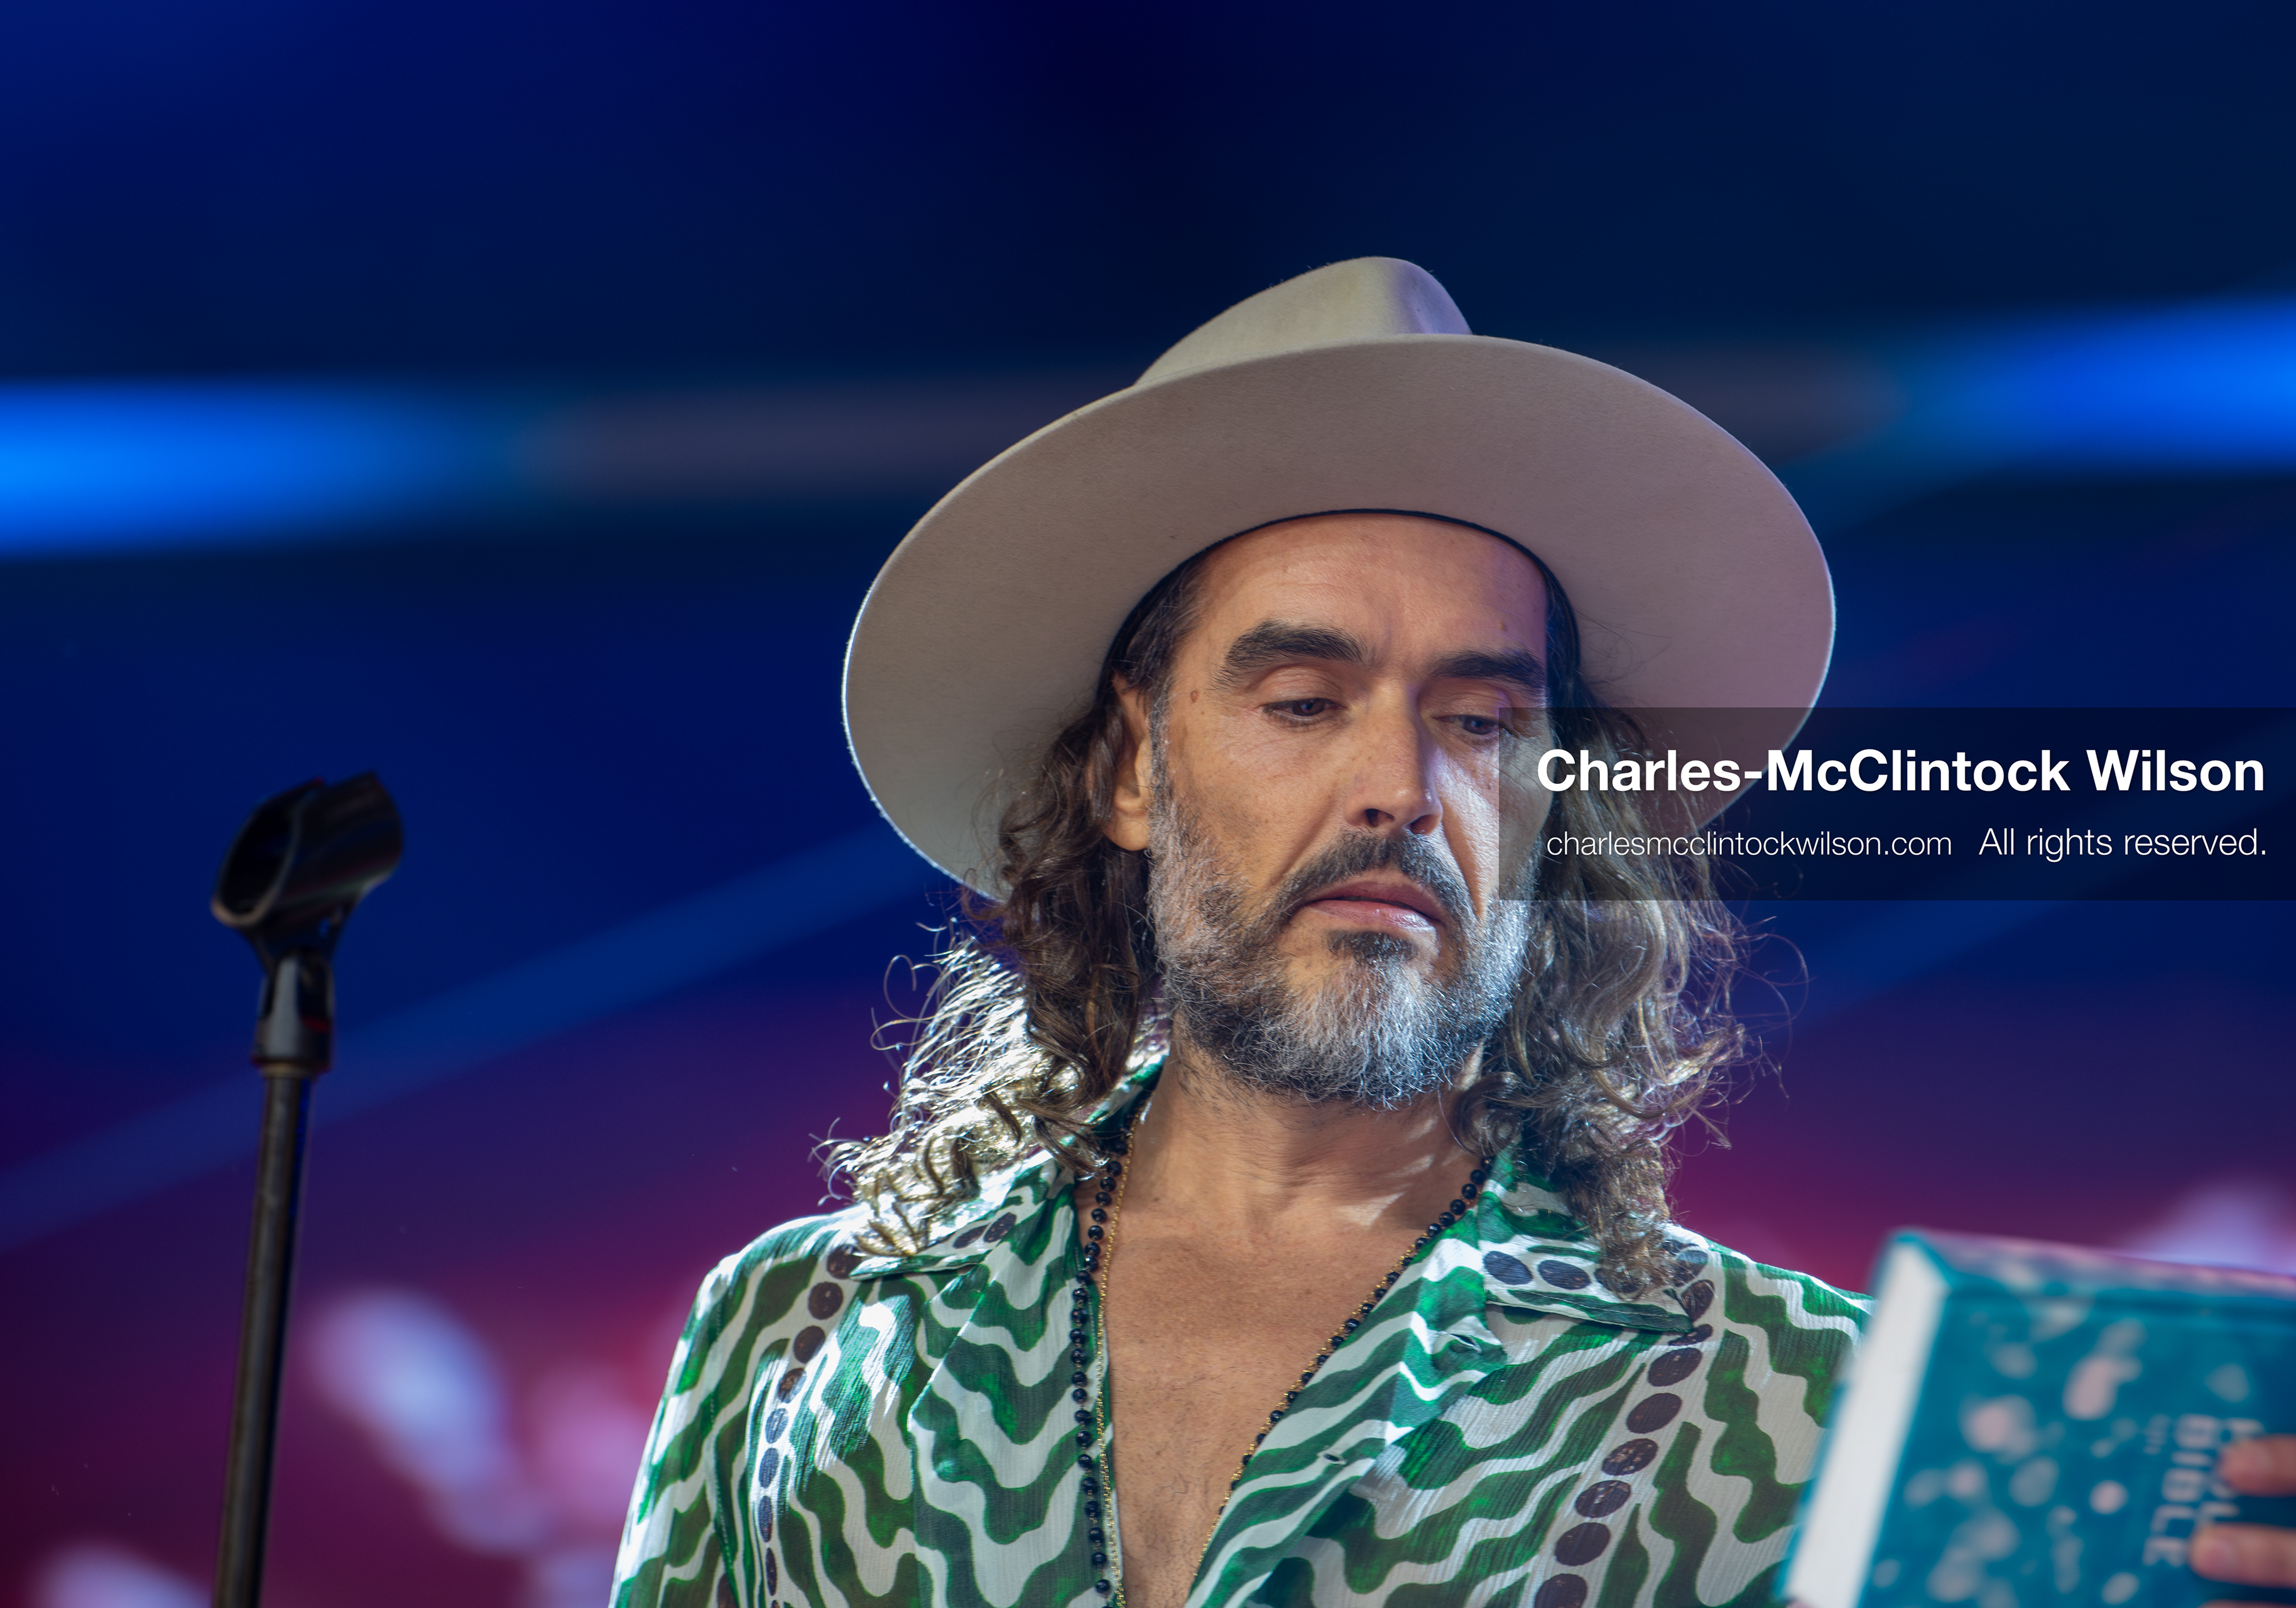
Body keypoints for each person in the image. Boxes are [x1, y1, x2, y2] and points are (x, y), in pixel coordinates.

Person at [607, 261, 2296, 1608]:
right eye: (1301, 697)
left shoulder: (1813, 1418)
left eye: (1484, 720)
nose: (1402, 787)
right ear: (1128, 765)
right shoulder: (802, 1335)